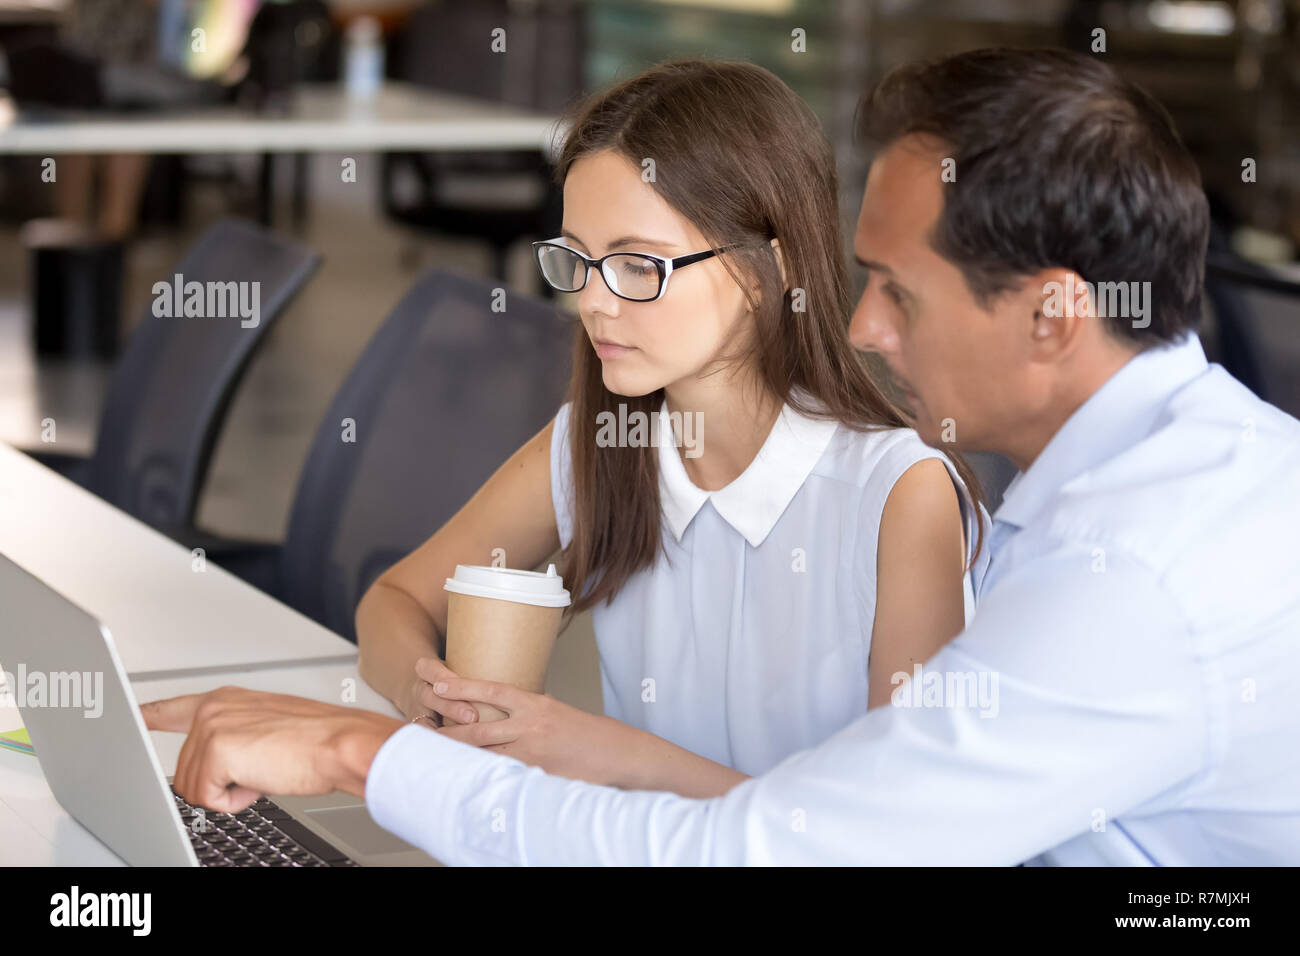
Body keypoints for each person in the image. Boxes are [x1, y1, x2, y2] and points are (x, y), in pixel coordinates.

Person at [143, 47, 1300, 865]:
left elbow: (798, 842)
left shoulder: (1116, 567)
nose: (864, 327)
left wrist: (370, 749)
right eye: (575, 262)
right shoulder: (1103, 503)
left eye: (897, 290)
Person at [350, 59, 987, 797]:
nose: (594, 302)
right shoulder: (595, 448)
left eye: (636, 265)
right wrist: (427, 695)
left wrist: (608, 755)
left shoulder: (898, 496)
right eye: (578, 262)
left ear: (761, 271)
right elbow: (393, 600)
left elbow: (907, 824)